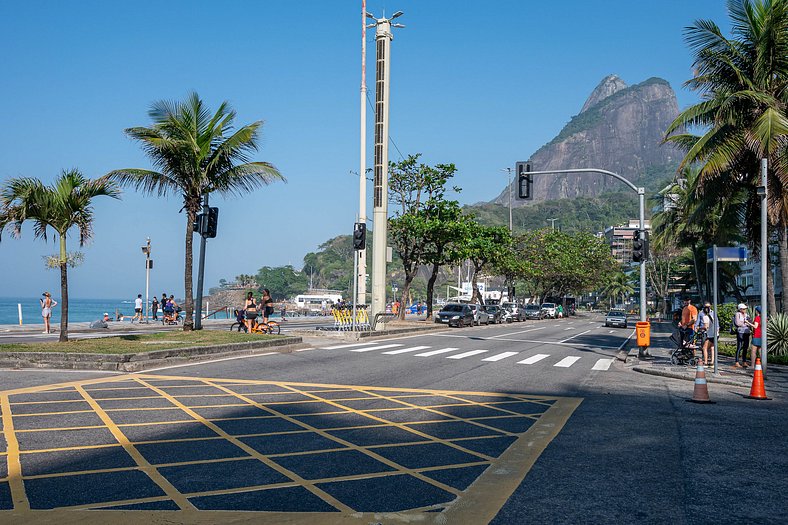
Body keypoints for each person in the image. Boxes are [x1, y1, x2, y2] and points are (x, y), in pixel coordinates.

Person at [695, 302, 717, 366]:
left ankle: (710, 361)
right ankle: (705, 359)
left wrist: (717, 328)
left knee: (711, 347)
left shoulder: (713, 313)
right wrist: (696, 328)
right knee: (704, 345)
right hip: (704, 332)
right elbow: (698, 321)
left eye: (709, 307)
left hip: (712, 332)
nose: (707, 308)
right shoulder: (701, 313)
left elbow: (716, 322)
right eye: (706, 307)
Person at [733, 303, 750, 368]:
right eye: (743, 309)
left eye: (745, 309)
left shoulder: (746, 315)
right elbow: (738, 323)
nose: (745, 310)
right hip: (740, 332)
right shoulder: (737, 314)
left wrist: (746, 323)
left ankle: (744, 361)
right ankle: (737, 362)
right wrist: (745, 323)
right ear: (740, 309)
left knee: (745, 347)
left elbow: (750, 322)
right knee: (739, 346)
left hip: (746, 332)